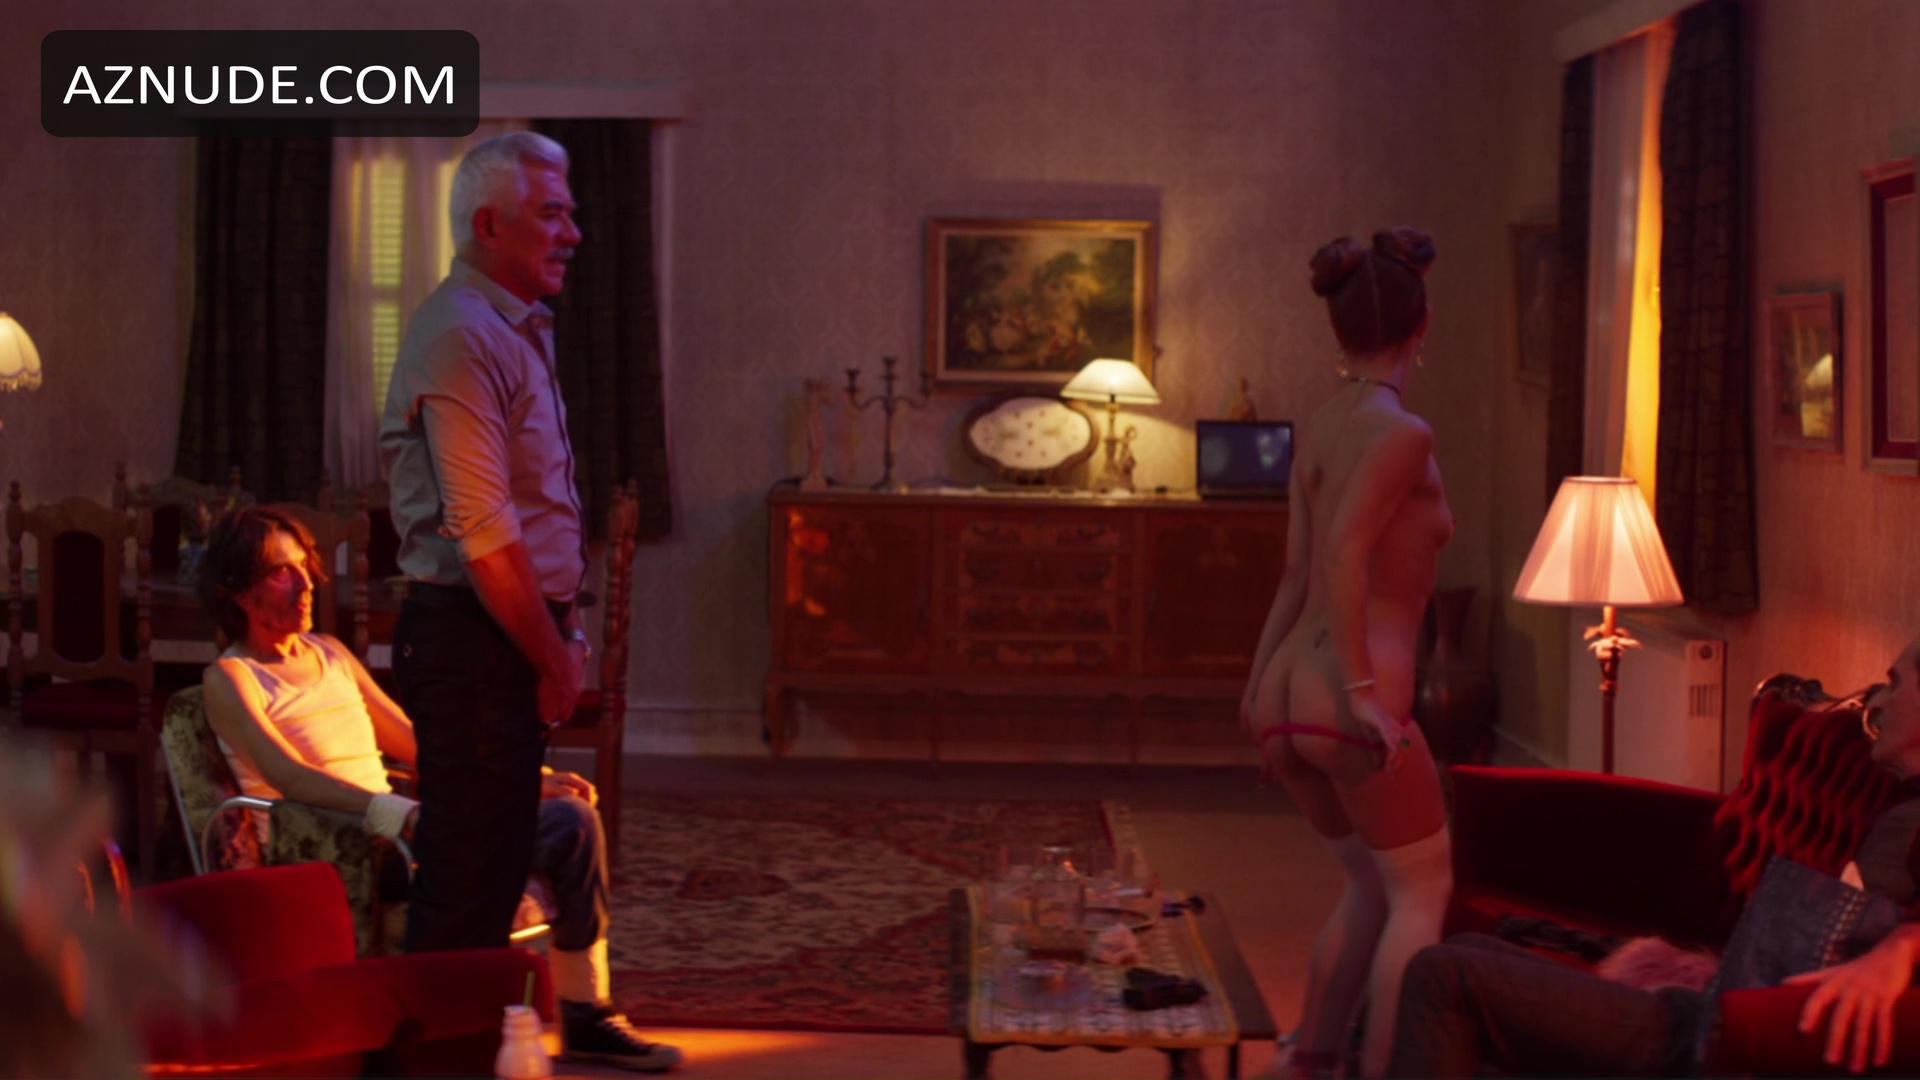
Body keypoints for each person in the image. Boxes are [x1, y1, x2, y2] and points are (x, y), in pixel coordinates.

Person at [196, 507, 682, 1072]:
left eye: (306, 566)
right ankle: (437, 1032)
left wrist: (526, 782)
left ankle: (585, 1014)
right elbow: (289, 776)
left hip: (406, 830)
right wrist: (396, 814)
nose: (307, 583)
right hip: (336, 847)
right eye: (284, 571)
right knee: (478, 854)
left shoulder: (330, 653)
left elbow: (416, 743)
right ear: (240, 592)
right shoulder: (231, 677)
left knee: (571, 822)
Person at [1387, 637, 1920, 1078]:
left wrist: (1901, 948)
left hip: (1717, 1036)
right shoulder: (1905, 803)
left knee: (1443, 974)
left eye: (1896, 685)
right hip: (1717, 997)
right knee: (1471, 948)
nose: (1878, 701)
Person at [1241, 228, 1454, 1077]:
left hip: (1291, 688)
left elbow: (1295, 569)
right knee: (1421, 892)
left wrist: (1256, 686)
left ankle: (1313, 1055)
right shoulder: (1402, 432)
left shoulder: (1323, 422)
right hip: (1351, 694)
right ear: (1421, 325)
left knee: (1367, 882)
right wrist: (1363, 690)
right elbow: (1341, 555)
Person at [378, 131, 592, 959]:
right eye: (551, 214)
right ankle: (434, 1033)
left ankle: (471, 1027)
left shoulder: (515, 328)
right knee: (466, 893)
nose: (572, 233)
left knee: (495, 879)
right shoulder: (462, 334)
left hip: (502, 638)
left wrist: (564, 631)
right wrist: (554, 660)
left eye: (570, 213)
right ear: (488, 225)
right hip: (471, 644)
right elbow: (486, 535)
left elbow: (542, 513)